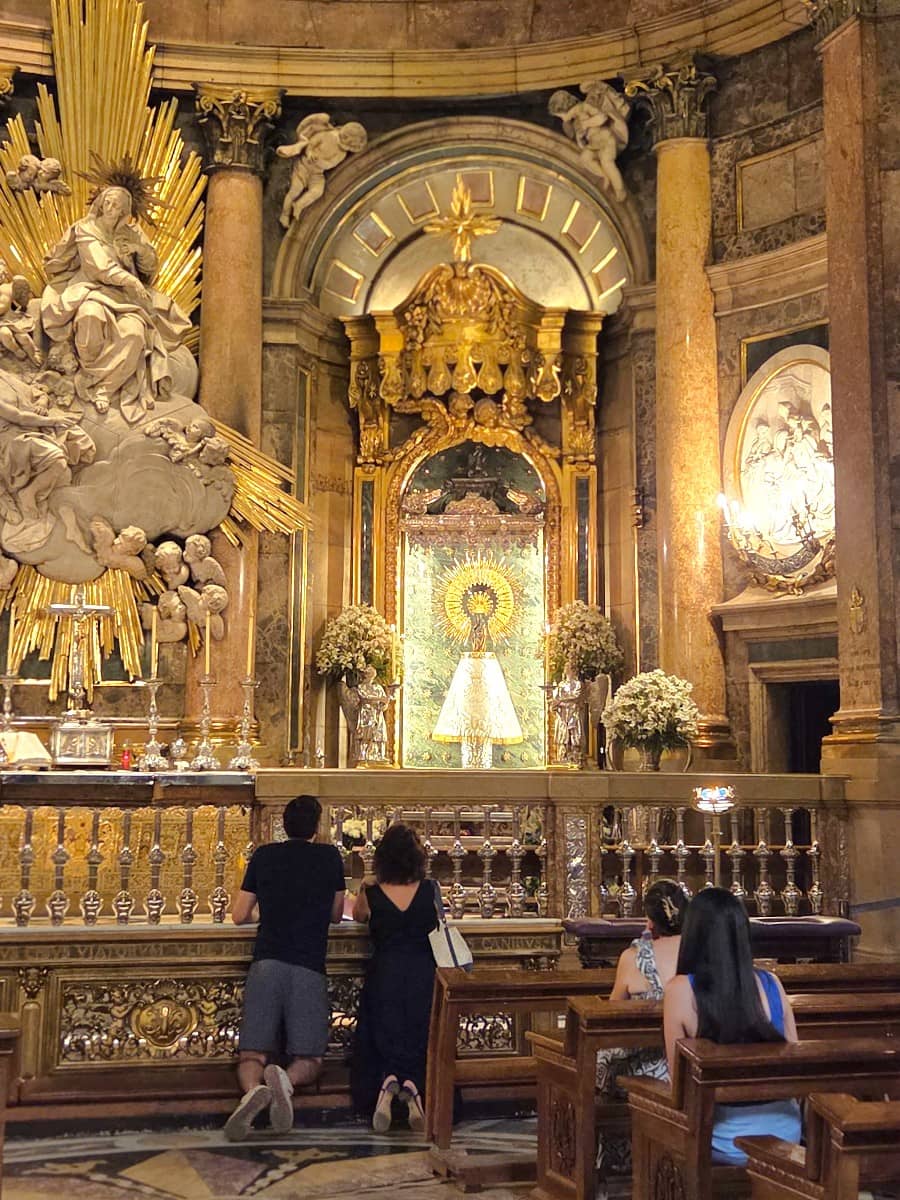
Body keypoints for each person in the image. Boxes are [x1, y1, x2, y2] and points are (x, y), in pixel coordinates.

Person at [226, 795, 345, 1141]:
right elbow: (336, 914)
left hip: (266, 961)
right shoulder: (328, 857)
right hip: (308, 965)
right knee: (309, 1056)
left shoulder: (265, 855)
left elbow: (238, 915)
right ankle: (285, 1083)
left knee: (252, 1052)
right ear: (316, 827)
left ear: (284, 825)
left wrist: (266, 912)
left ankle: (252, 1092)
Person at [663, 887, 801, 1166]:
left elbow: (679, 1084)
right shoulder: (772, 983)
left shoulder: (680, 990)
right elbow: (796, 1061)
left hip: (722, 1136)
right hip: (787, 1133)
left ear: (694, 933)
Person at [41, 185, 193, 421]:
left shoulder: (132, 232)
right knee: (90, 316)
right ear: (101, 203)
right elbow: (99, 267)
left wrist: (139, 250)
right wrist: (132, 281)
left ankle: (104, 387)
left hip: (125, 299)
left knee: (135, 334)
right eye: (108, 202)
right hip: (91, 290)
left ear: (125, 210)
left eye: (118, 206)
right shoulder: (86, 229)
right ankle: (88, 374)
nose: (111, 208)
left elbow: (149, 268)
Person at [595, 878, 687, 1194]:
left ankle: (619, 1162)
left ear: (649, 920)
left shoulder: (634, 956)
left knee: (602, 1064)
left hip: (646, 1065)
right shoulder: (700, 951)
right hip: (690, 1065)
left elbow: (612, 1014)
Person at [351, 823, 438, 1132]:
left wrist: (365, 886)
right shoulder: (429, 890)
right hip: (422, 972)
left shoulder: (373, 892)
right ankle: (414, 1092)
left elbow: (358, 916)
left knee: (385, 1032)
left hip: (385, 970)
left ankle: (386, 1088)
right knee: (417, 1032)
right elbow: (440, 921)